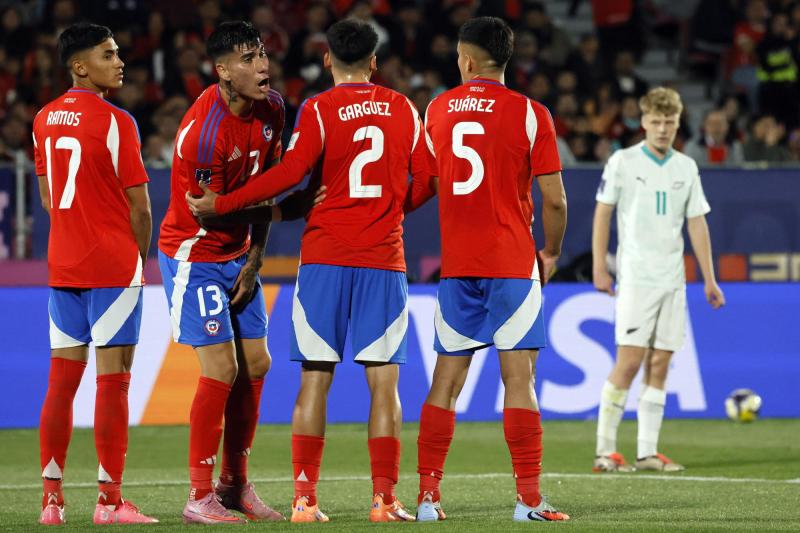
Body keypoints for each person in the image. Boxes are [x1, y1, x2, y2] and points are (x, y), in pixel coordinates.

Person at [186, 19, 431, 523]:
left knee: (315, 379)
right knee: (385, 384)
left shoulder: (317, 109)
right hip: (383, 260)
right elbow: (429, 178)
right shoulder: (404, 108)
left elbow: (290, 175)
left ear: (327, 61)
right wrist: (390, 209)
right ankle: (384, 500)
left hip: (323, 259)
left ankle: (304, 499)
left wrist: (226, 203)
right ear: (374, 63)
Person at [158, 21, 317, 524]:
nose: (262, 65)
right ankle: (198, 494)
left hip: (238, 255)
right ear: (222, 70)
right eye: (248, 59)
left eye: (263, 54)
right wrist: (283, 214)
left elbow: (264, 188)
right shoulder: (204, 134)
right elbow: (209, 211)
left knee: (258, 364)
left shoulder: (274, 109)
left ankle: (234, 485)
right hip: (195, 256)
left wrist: (255, 258)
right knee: (221, 370)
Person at [415, 16, 569, 523]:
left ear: (466, 60)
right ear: (505, 59)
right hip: (510, 261)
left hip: (459, 265)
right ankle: (527, 502)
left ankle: (427, 499)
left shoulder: (437, 110)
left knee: (446, 381)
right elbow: (556, 201)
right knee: (518, 380)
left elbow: (424, 183)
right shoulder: (531, 113)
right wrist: (549, 252)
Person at [32, 22, 157, 525]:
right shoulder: (116, 121)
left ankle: (51, 502)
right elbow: (142, 208)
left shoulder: (42, 119)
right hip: (111, 266)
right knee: (113, 384)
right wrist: (138, 260)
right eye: (108, 54)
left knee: (60, 384)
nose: (120, 61)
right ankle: (109, 504)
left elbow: (46, 198)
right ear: (80, 65)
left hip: (63, 264)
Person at [592, 87, 725, 474]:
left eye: (670, 122)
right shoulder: (623, 161)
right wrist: (601, 266)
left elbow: (696, 223)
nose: (663, 128)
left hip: (673, 279)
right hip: (636, 277)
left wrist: (710, 279)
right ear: (644, 122)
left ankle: (647, 452)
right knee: (630, 361)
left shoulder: (686, 167)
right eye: (656, 121)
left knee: (662, 363)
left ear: (678, 123)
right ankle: (605, 451)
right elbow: (603, 213)